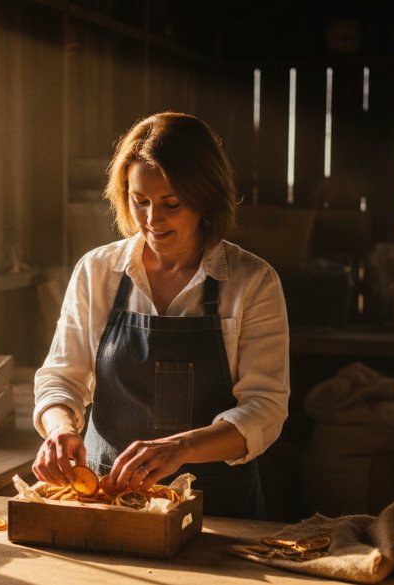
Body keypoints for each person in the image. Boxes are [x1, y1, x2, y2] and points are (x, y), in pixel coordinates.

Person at [31, 112, 290, 518]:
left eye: (172, 204)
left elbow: (265, 407)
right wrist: (60, 430)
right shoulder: (97, 272)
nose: (153, 219)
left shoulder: (252, 282)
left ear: (206, 197)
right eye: (140, 201)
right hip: (106, 498)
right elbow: (60, 378)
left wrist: (182, 448)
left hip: (218, 507)